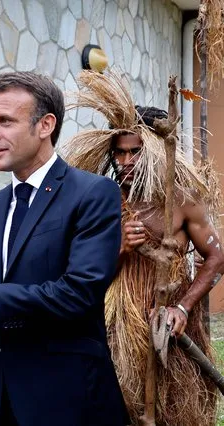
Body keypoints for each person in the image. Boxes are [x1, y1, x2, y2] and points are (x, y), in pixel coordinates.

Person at [0, 71, 129, 425]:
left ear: (45, 125)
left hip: (71, 401)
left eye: (4, 121)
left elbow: (79, 293)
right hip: (4, 405)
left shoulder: (93, 194)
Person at [63, 71, 224, 426]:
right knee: (117, 406)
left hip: (172, 327)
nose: (126, 162)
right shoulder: (101, 202)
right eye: (119, 153)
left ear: (151, 149)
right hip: (116, 325)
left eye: (135, 152)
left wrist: (183, 307)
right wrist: (119, 247)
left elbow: (217, 257)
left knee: (173, 409)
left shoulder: (180, 199)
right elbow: (78, 271)